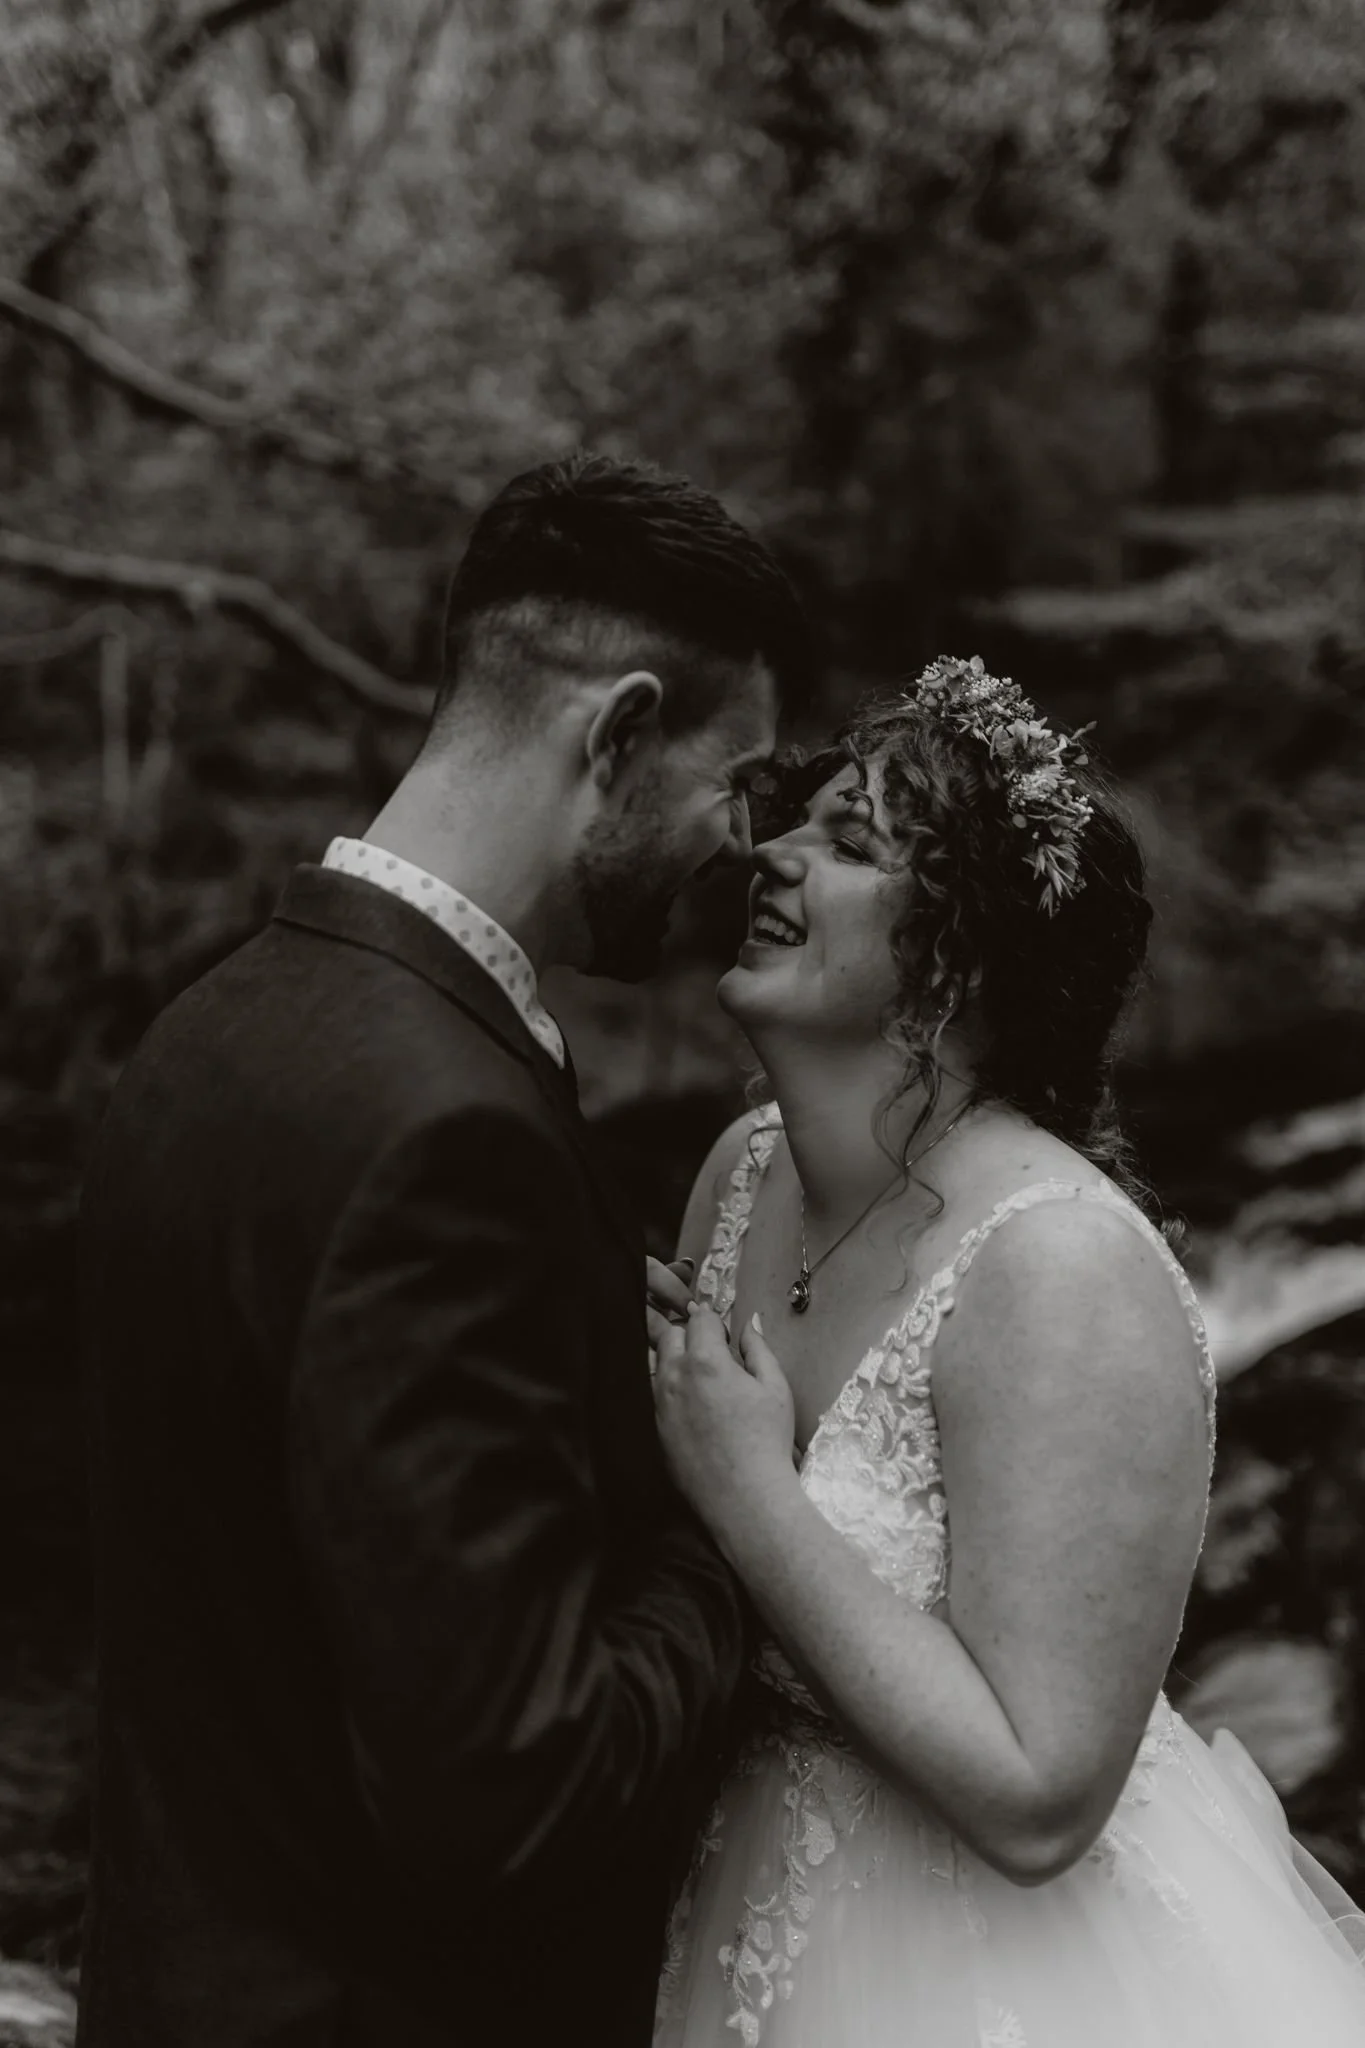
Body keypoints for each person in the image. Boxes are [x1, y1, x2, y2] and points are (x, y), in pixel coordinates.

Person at [77, 453, 808, 2048]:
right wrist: (725, 1515)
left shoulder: (211, 1032)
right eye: (733, 786)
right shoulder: (447, 1136)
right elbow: (514, 1798)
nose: (740, 853)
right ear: (616, 734)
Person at [649, 657, 1365, 2047]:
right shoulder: (740, 1175)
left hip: (996, 1977)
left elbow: (1041, 1797)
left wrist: (746, 1491)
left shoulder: (1060, 1265)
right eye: (798, 820)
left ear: (953, 963)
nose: (771, 853)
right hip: (734, 1909)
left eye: (846, 845)